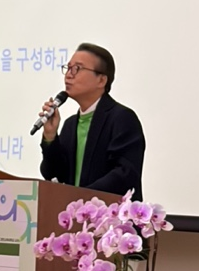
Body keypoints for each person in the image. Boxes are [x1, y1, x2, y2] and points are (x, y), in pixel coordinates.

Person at [38, 42, 144, 197]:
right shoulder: (70, 125)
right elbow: (53, 173)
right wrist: (50, 137)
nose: (69, 75)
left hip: (110, 211)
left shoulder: (122, 118)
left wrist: (82, 197)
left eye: (77, 68)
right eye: (68, 68)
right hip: (75, 211)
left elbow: (124, 174)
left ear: (101, 80)